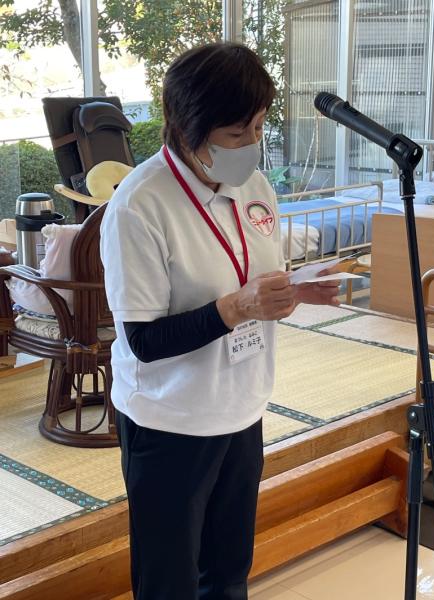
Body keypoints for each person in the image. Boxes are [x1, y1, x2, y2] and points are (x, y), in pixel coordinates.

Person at [100, 42, 340, 600]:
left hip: (241, 407)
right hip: (170, 422)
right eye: (237, 133)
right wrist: (239, 307)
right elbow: (143, 341)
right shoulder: (139, 206)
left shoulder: (254, 186)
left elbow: (251, 278)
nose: (252, 144)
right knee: (169, 583)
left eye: (259, 126)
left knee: (229, 575)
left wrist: (292, 291)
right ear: (188, 130)